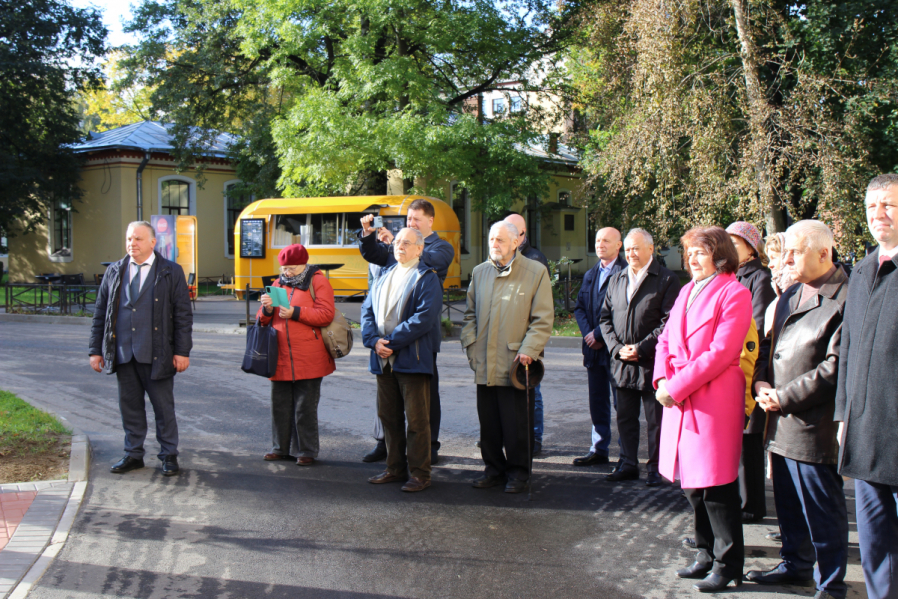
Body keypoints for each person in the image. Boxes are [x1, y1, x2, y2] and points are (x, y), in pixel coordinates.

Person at [747, 220, 849, 599]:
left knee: (822, 508)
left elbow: (833, 368)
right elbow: (768, 344)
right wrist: (760, 381)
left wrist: (783, 396)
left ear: (824, 253)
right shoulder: (791, 294)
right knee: (788, 502)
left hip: (812, 424)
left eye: (795, 251)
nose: (786, 259)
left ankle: (832, 581)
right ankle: (795, 565)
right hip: (779, 418)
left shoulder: (845, 297)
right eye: (785, 250)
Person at [654, 226, 752, 593]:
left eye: (700, 251)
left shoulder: (734, 293)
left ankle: (729, 564)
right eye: (689, 252)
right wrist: (662, 380)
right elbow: (665, 339)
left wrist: (675, 386)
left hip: (712, 399)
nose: (691, 258)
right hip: (680, 398)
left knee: (717, 485)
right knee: (692, 486)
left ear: (720, 255)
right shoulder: (685, 290)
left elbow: (722, 353)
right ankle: (705, 552)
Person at [89, 221, 193, 477]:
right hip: (123, 353)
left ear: (152, 242)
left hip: (157, 353)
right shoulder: (115, 271)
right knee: (130, 407)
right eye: (128, 239)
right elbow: (100, 313)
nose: (132, 244)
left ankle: (168, 454)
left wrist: (183, 351)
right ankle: (133, 454)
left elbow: (182, 315)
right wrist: (96, 349)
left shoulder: (170, 271)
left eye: (137, 239)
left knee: (163, 408)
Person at [836, 173, 898, 599]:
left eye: (889, 205)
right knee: (874, 543)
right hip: (865, 430)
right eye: (872, 206)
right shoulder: (861, 271)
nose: (879, 215)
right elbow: (849, 352)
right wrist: (843, 414)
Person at [358, 199, 454, 465]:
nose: (411, 224)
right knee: (388, 399)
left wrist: (403, 243)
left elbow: (430, 261)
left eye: (416, 220)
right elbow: (374, 256)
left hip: (420, 339)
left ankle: (428, 448)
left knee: (423, 400)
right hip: (387, 339)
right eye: (408, 220)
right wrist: (371, 237)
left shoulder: (441, 246)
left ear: (430, 221)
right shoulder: (400, 246)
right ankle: (387, 446)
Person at [462, 220, 553, 493]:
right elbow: (469, 316)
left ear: (516, 242)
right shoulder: (479, 273)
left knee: (516, 426)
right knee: (488, 425)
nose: (495, 245)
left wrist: (529, 349)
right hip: (484, 363)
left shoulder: (535, 272)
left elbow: (543, 318)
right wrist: (472, 348)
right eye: (491, 240)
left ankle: (518, 475)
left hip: (516, 362)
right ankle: (493, 471)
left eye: (500, 240)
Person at [598, 228, 680, 486]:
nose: (631, 253)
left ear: (651, 249)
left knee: (655, 420)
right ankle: (628, 463)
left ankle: (656, 468)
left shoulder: (666, 279)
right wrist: (616, 348)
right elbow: (604, 318)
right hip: (621, 363)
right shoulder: (618, 278)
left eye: (636, 248)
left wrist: (641, 348)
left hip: (651, 363)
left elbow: (669, 322)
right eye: (628, 249)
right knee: (625, 418)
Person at [258, 244, 336, 466]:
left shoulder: (318, 281)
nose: (286, 273)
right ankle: (279, 448)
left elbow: (326, 315)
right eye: (283, 268)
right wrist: (266, 310)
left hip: (309, 355)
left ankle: (306, 451)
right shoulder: (277, 283)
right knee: (279, 405)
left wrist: (295, 313)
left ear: (304, 264)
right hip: (279, 354)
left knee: (305, 407)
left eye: (291, 268)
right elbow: (262, 319)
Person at [726, 221, 777, 524]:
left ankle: (752, 504)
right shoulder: (732, 275)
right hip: (733, 365)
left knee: (749, 439)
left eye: (736, 242)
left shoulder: (759, 277)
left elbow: (755, 325)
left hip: (751, 365)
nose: (730, 248)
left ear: (750, 246)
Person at [573, 227, 627, 466]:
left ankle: (627, 454)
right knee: (597, 401)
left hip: (615, 350)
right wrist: (588, 335)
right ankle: (599, 449)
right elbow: (580, 308)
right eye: (597, 240)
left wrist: (598, 334)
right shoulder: (591, 274)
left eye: (606, 240)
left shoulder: (626, 272)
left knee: (621, 404)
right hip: (593, 351)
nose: (600, 244)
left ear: (619, 245)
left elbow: (622, 313)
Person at [504, 213, 549, 455]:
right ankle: (509, 436)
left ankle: (535, 437)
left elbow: (540, 307)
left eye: (514, 232)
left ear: (522, 234)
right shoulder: (501, 257)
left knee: (532, 389)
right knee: (507, 390)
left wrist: (531, 343)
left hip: (528, 339)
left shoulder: (535, 259)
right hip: (504, 340)